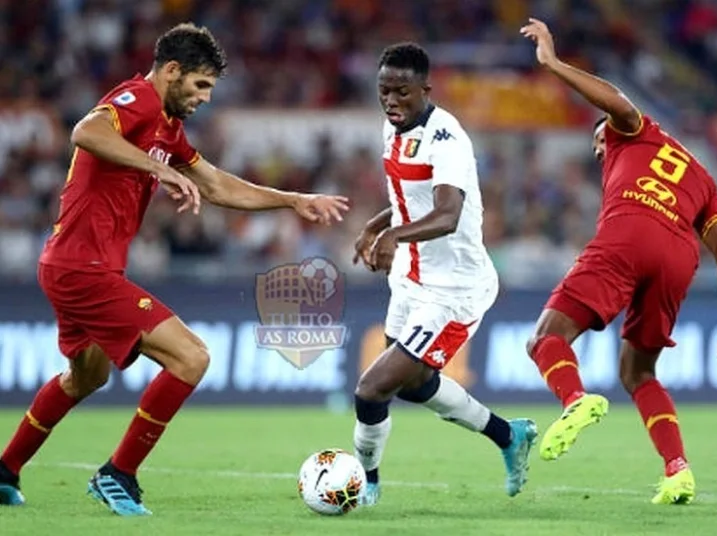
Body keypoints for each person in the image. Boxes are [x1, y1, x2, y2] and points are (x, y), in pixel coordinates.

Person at [0, 23, 348, 516]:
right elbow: (86, 131)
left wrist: (294, 200)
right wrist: (157, 169)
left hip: (74, 267)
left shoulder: (167, 128)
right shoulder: (138, 98)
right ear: (170, 71)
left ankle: (4, 470)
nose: (205, 97)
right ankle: (118, 474)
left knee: (84, 379)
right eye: (200, 85)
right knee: (192, 357)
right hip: (84, 270)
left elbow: (218, 186)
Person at [520, 18, 717, 504]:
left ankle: (575, 399)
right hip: (679, 257)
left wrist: (554, 64)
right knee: (639, 372)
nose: (600, 150)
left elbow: (617, 101)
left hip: (631, 232)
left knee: (545, 338)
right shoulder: (703, 176)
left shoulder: (631, 131)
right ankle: (678, 469)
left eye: (599, 142)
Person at [350, 42, 538, 506]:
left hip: (454, 288)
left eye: (401, 92)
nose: (391, 101)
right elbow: (403, 198)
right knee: (412, 386)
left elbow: (447, 214)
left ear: (425, 89)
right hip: (412, 280)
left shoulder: (446, 139)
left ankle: (365, 483)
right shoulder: (391, 128)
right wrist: (374, 227)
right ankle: (508, 436)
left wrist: (394, 238)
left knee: (372, 389)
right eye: (384, 92)